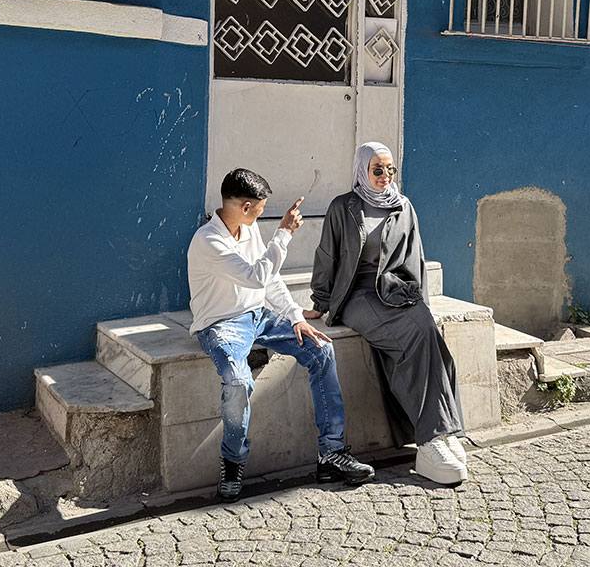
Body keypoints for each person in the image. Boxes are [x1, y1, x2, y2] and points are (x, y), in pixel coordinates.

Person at [187, 168, 375, 502]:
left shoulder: (248, 228)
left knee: (321, 349)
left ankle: (331, 453)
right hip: (222, 324)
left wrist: (295, 316)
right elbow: (256, 276)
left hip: (259, 315)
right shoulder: (208, 241)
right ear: (245, 206)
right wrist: (284, 234)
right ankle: (232, 462)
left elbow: (270, 280)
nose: (262, 214)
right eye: (260, 208)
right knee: (237, 381)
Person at [306, 143, 469, 485]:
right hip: (357, 294)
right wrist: (321, 302)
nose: (385, 176)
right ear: (362, 170)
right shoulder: (344, 207)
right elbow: (327, 256)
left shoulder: (403, 206)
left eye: (390, 169)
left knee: (430, 335)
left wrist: (420, 302)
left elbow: (415, 257)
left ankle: (444, 432)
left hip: (395, 290)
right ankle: (432, 439)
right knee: (412, 342)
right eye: (377, 170)